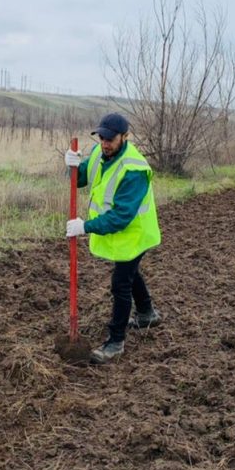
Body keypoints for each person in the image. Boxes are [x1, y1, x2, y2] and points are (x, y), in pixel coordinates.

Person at [64, 113, 161, 364]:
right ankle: (147, 313)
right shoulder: (99, 153)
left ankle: (115, 342)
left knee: (121, 283)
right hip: (124, 234)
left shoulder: (134, 169)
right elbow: (80, 180)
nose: (105, 143)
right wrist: (72, 166)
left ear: (125, 137)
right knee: (129, 273)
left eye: (110, 139)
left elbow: (121, 216)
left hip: (135, 233)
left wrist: (86, 226)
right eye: (102, 137)